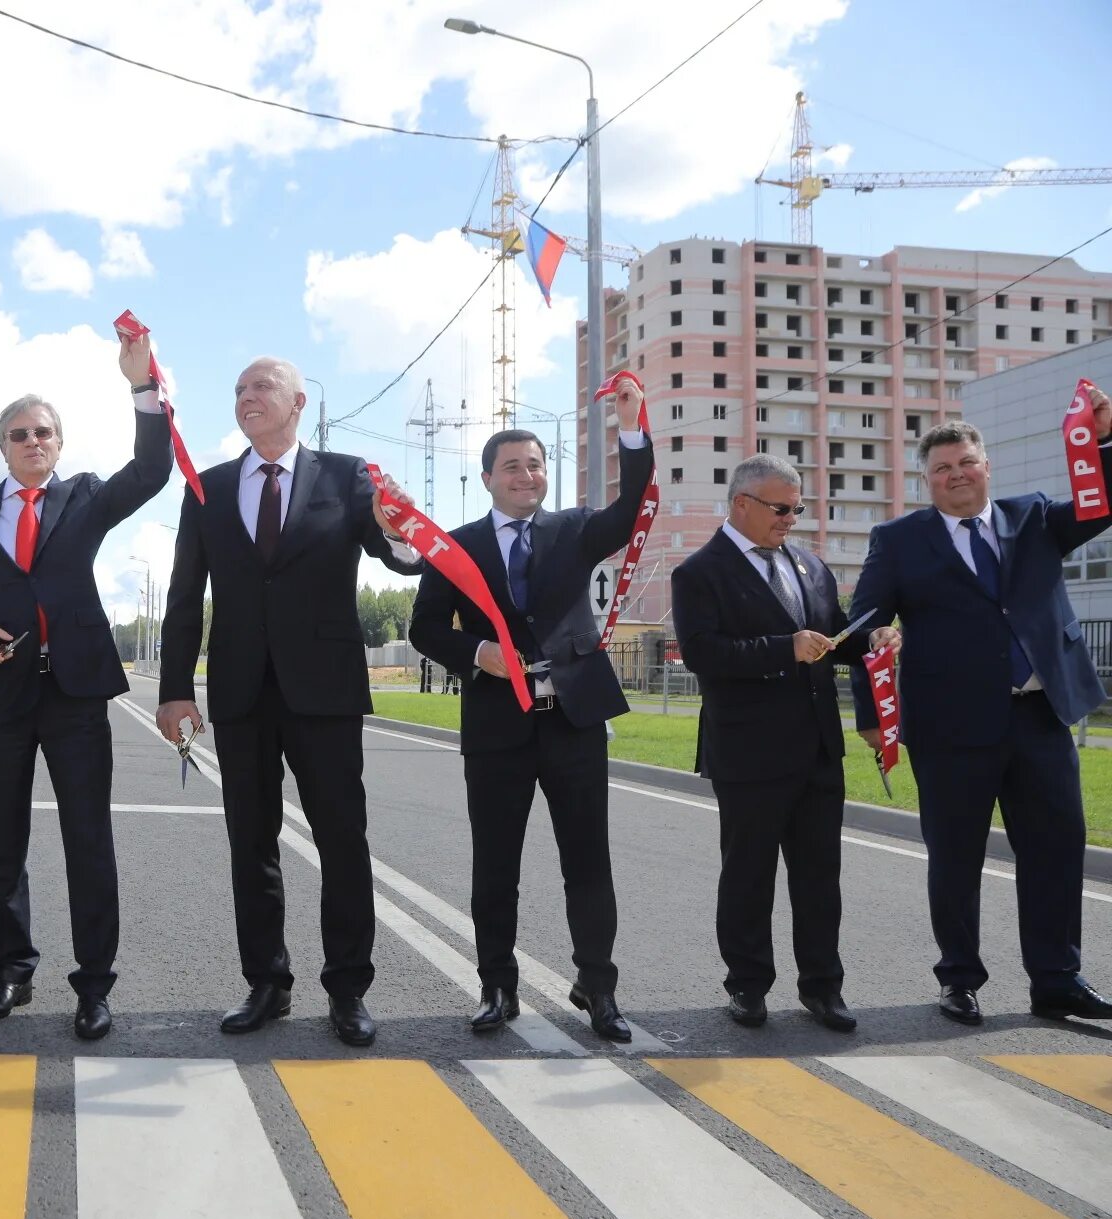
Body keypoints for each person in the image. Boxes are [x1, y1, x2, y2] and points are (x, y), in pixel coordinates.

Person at [156, 356, 420, 1048]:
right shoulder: (207, 488)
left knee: (341, 840)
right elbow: (185, 598)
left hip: (324, 691)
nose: (247, 397)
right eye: (240, 388)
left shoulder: (348, 476)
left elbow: (400, 559)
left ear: (298, 402)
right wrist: (175, 688)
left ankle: (348, 989)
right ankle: (266, 983)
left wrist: (398, 527)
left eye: (261, 387)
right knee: (251, 843)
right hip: (242, 692)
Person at [0, 335, 173, 1041]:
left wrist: (142, 389)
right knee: (1, 846)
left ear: (59, 443)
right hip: (3, 696)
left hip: (75, 695)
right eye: (19, 434)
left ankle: (94, 985)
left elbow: (153, 467)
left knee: (87, 841)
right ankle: (11, 971)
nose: (32, 440)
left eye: (43, 431)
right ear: (2, 447)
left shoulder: (86, 498)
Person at [849, 389, 1112, 1026]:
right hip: (951, 728)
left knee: (1055, 850)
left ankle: (1056, 978)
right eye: (940, 468)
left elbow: (1102, 502)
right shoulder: (899, 539)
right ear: (926, 479)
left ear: (986, 466)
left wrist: (1101, 441)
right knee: (957, 856)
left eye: (965, 462)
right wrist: (868, 713)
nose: (955, 475)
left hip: (1040, 717)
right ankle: (959, 978)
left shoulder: (1036, 517)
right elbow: (862, 625)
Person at [407, 382, 653, 1043]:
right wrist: (476, 651)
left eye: (536, 463)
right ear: (488, 478)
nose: (526, 474)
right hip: (497, 727)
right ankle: (496, 988)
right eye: (512, 465)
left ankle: (599, 990)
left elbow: (631, 509)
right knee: (496, 866)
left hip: (573, 721)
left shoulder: (575, 530)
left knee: (588, 864)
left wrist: (631, 431)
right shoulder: (453, 549)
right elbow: (424, 628)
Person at [671, 454, 898, 1032]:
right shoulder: (699, 572)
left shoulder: (810, 566)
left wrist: (871, 639)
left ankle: (823, 987)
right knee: (749, 876)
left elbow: (834, 636)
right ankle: (747, 985)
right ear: (741, 503)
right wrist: (783, 648)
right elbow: (703, 655)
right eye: (781, 508)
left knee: (821, 877)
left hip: (819, 751)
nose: (791, 518)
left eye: (797, 507)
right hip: (749, 753)